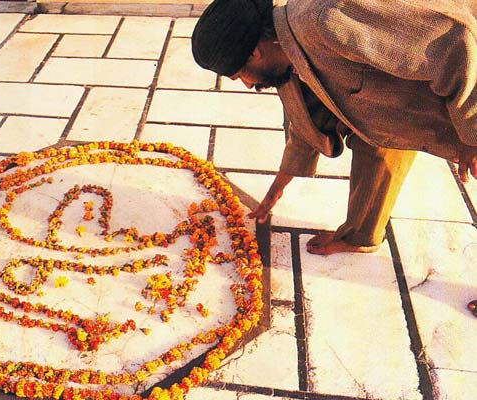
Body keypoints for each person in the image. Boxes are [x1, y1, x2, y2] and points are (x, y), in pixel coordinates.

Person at [191, 0, 477, 316]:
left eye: (239, 74)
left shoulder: (327, 20)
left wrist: (473, 132)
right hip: (395, 117)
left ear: (255, 52)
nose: (247, 83)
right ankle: (360, 235)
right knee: (373, 132)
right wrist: (281, 183)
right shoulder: (288, 48)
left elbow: (456, 42)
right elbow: (303, 119)